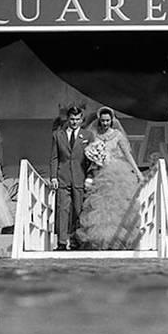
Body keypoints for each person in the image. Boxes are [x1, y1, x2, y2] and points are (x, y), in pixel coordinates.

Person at [76, 107, 144, 250]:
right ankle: (101, 240)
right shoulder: (94, 134)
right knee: (100, 208)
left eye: (108, 120)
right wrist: (95, 157)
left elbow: (127, 154)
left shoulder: (117, 135)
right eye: (103, 120)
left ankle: (118, 239)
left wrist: (137, 171)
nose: (105, 123)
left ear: (112, 120)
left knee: (116, 207)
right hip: (99, 172)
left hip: (116, 173)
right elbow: (88, 151)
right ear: (99, 120)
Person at [50, 106, 95, 250]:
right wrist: (53, 177)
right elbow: (54, 158)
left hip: (80, 177)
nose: (75, 122)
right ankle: (62, 242)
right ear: (68, 119)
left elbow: (92, 160)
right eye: (72, 119)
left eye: (77, 119)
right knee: (62, 210)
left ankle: (77, 241)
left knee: (79, 210)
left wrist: (89, 177)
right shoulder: (58, 135)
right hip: (63, 177)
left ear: (81, 120)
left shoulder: (88, 136)